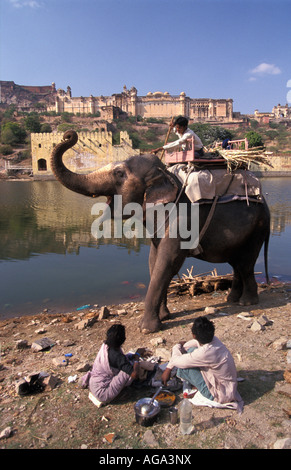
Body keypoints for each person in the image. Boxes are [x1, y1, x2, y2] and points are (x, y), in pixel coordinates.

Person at [161, 316, 243, 410]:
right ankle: (198, 383)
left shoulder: (205, 352)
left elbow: (177, 361)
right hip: (228, 387)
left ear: (194, 335)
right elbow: (189, 345)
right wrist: (182, 346)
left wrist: (176, 347)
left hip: (220, 394)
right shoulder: (214, 340)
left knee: (183, 368)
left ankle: (200, 388)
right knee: (191, 350)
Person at [80, 323, 140, 405]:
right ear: (122, 339)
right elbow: (134, 374)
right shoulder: (117, 356)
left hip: (94, 384)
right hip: (103, 393)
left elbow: (120, 361)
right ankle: (118, 395)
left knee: (127, 364)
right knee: (128, 370)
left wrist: (132, 356)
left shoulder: (106, 346)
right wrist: (137, 359)